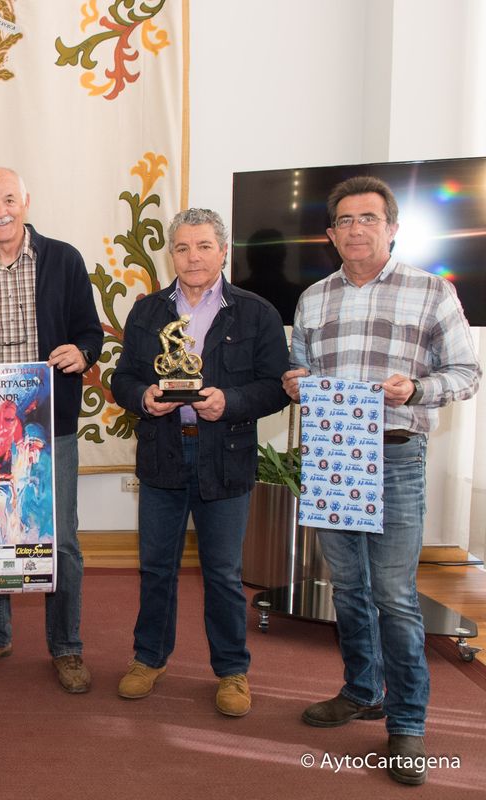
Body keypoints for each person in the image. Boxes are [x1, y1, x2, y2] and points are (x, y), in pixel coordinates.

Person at [284, 176, 480, 785]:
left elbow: (467, 371)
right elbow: (300, 367)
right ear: (330, 234)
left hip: (395, 453)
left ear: (392, 227)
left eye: (369, 218)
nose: (356, 229)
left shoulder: (431, 292)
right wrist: (294, 381)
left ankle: (408, 722)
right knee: (346, 586)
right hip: (332, 456)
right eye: (344, 220)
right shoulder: (314, 298)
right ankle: (361, 689)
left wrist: (417, 389)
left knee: (394, 594)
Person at [111, 207, 290, 717]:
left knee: (224, 573)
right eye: (184, 248)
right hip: (164, 451)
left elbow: (274, 387)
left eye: (204, 246)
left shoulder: (255, 312)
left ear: (223, 251)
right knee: (156, 568)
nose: (193, 257)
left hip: (225, 455)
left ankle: (232, 671)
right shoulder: (146, 312)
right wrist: (144, 396)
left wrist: (227, 402)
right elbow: (123, 378)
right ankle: (148, 659)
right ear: (172, 253)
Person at [0, 167, 103, 693]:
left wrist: (83, 351)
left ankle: (66, 646)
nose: (0, 211)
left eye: (8, 199)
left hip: (47, 420)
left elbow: (89, 331)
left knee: (59, 536)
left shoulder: (63, 259)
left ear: (27, 202)